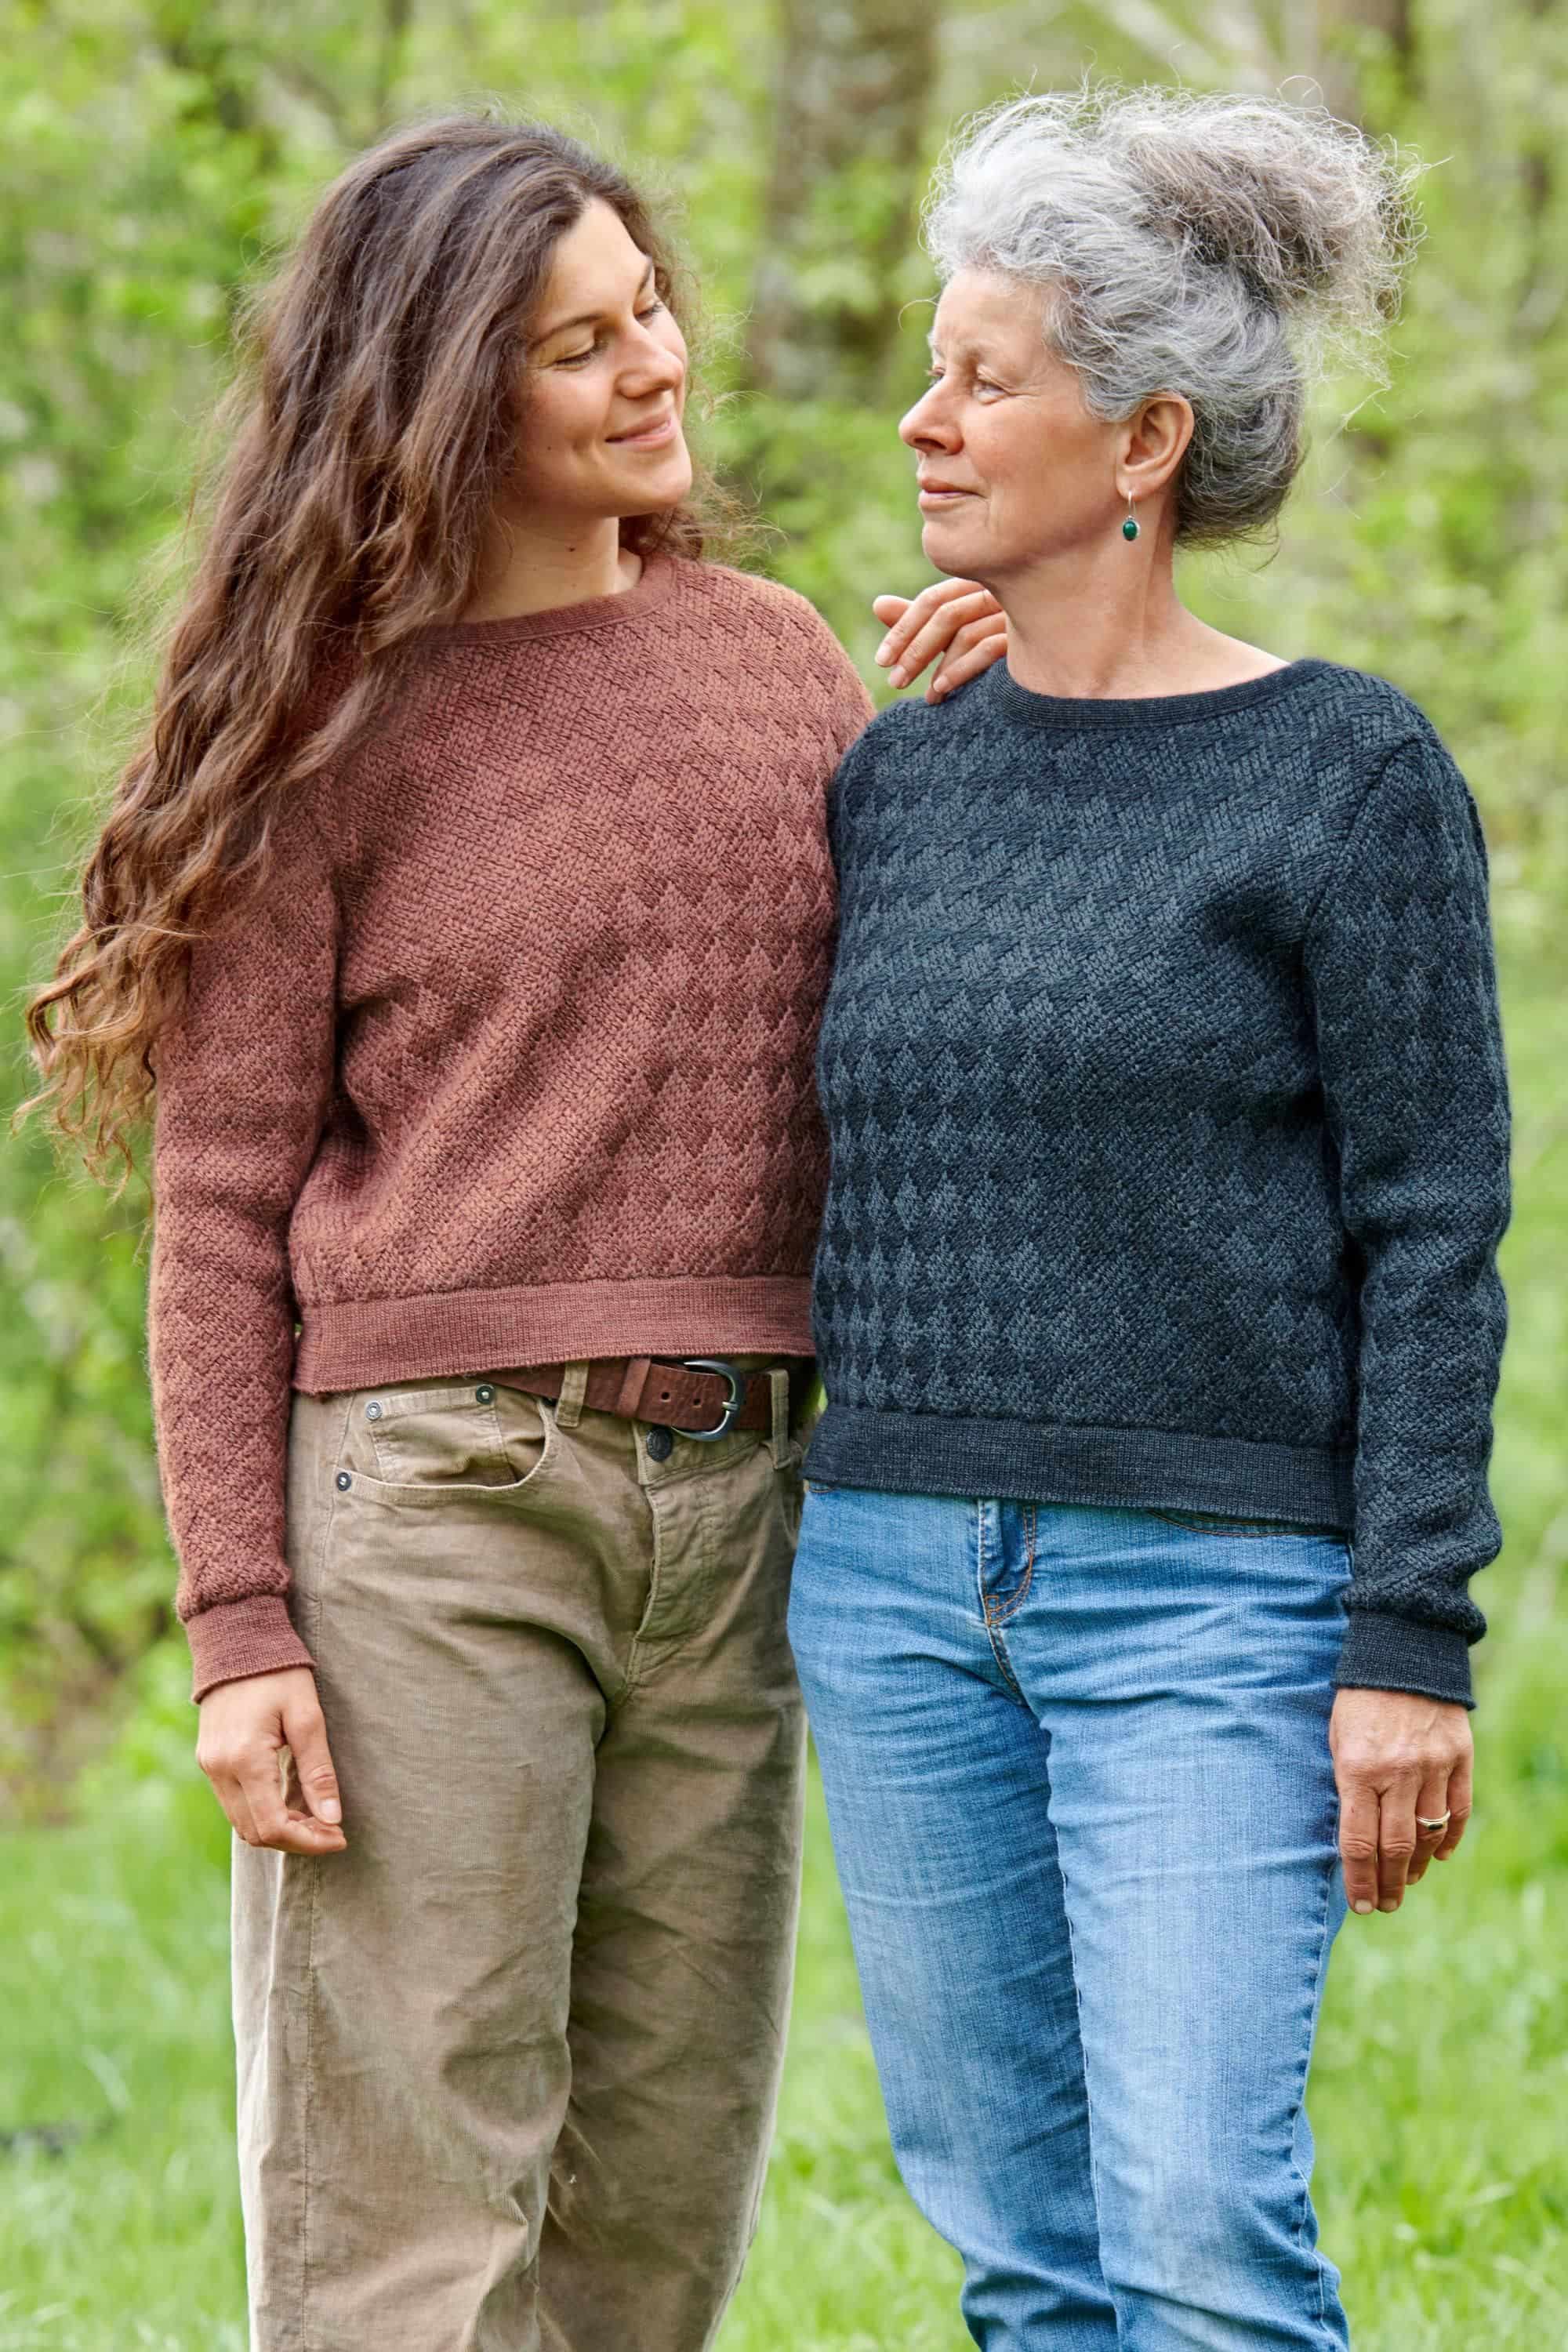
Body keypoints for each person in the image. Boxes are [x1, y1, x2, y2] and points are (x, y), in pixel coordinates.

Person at [22, 115, 996, 2351]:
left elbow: (905, 1018)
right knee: (411, 2214)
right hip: (436, 1507)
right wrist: (238, 1622)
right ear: (451, 396)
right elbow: (219, 1208)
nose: (656, 363)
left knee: (657, 2208)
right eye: (581, 343)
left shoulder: (778, 667)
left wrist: (991, 732)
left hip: (743, 1497)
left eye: (648, 304)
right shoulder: (326, 736)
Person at [788, 85, 1510, 2350]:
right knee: (1025, 2257)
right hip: (896, 1589)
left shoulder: (1347, 771)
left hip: (1211, 1600)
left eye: (985, 377)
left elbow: (1434, 1226)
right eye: (934, 366)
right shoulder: (902, 768)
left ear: (1145, 440)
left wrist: (1410, 1639)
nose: (922, 420)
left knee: (1201, 2234)